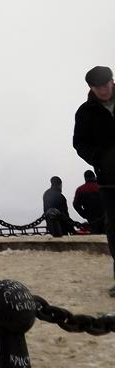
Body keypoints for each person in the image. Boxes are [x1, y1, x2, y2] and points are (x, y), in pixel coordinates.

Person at [73, 65, 115, 293]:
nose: (104, 90)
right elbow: (79, 143)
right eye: (98, 87)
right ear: (91, 88)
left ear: (112, 81)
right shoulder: (85, 113)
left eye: (106, 84)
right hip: (109, 180)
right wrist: (99, 158)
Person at [73, 170, 105, 234]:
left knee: (95, 237)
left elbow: (75, 204)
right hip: (104, 218)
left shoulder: (80, 189)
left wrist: (84, 214)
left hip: (91, 219)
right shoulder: (101, 187)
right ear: (94, 177)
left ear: (85, 178)